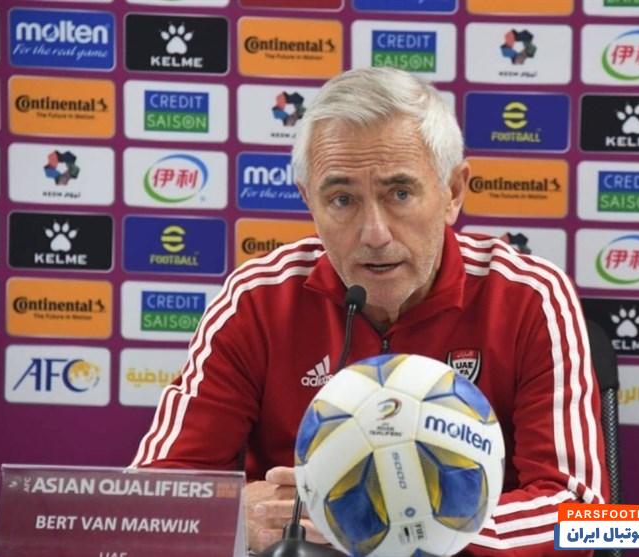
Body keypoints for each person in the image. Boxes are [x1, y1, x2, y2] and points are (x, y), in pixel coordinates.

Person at [131, 67, 608, 556]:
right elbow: (149, 502)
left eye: (399, 193)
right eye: (342, 200)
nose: (374, 234)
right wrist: (235, 518)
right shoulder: (257, 299)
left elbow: (589, 520)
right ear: (308, 201)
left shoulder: (529, 295)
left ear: (453, 191)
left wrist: (403, 528)